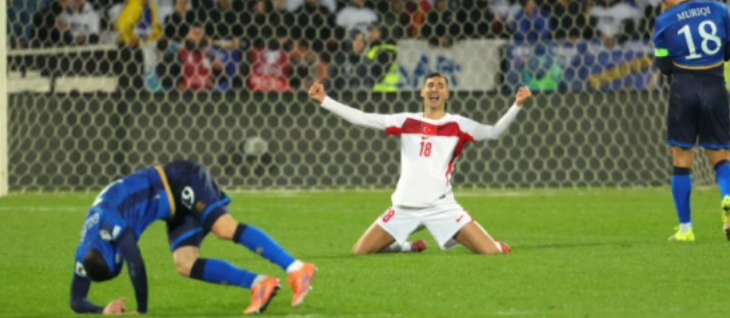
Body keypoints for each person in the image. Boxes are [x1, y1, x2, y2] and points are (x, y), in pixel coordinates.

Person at [308, 74, 533, 255]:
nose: (435, 89)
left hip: (441, 207)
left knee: (492, 252)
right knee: (361, 251)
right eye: (430, 85)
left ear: (447, 94)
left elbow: (494, 133)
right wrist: (325, 100)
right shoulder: (406, 121)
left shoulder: (459, 125)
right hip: (404, 207)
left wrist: (517, 105)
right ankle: (407, 247)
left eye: (441, 86)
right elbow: (362, 118)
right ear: (422, 92)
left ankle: (462, 233)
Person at [69, 160, 317, 315]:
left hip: (177, 180)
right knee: (185, 264)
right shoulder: (85, 252)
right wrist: (103, 311)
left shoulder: (108, 221)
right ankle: (259, 284)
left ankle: (297, 268)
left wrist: (142, 311)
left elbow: (135, 262)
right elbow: (76, 300)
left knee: (224, 228)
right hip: (173, 211)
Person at [653, 0, 730, 242]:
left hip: (684, 90)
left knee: (682, 159)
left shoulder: (664, 21)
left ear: (669, 0)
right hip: (715, 87)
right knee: (721, 155)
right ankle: (728, 197)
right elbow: (728, 52)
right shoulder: (720, 9)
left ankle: (686, 228)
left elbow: (664, 68)